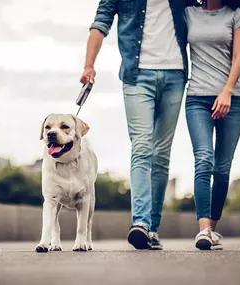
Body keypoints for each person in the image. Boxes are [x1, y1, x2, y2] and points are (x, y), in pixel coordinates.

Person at [80, 0, 189, 250]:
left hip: (176, 74)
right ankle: (140, 222)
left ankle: (152, 228)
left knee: (161, 155)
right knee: (142, 146)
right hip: (137, 76)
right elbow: (100, 22)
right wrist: (89, 65)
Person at [185, 0, 240, 250]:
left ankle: (213, 230)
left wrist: (227, 92)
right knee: (203, 159)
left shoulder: (237, 14)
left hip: (234, 99)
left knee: (222, 169)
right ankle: (203, 230)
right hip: (197, 98)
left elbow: (239, 55)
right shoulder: (188, 12)